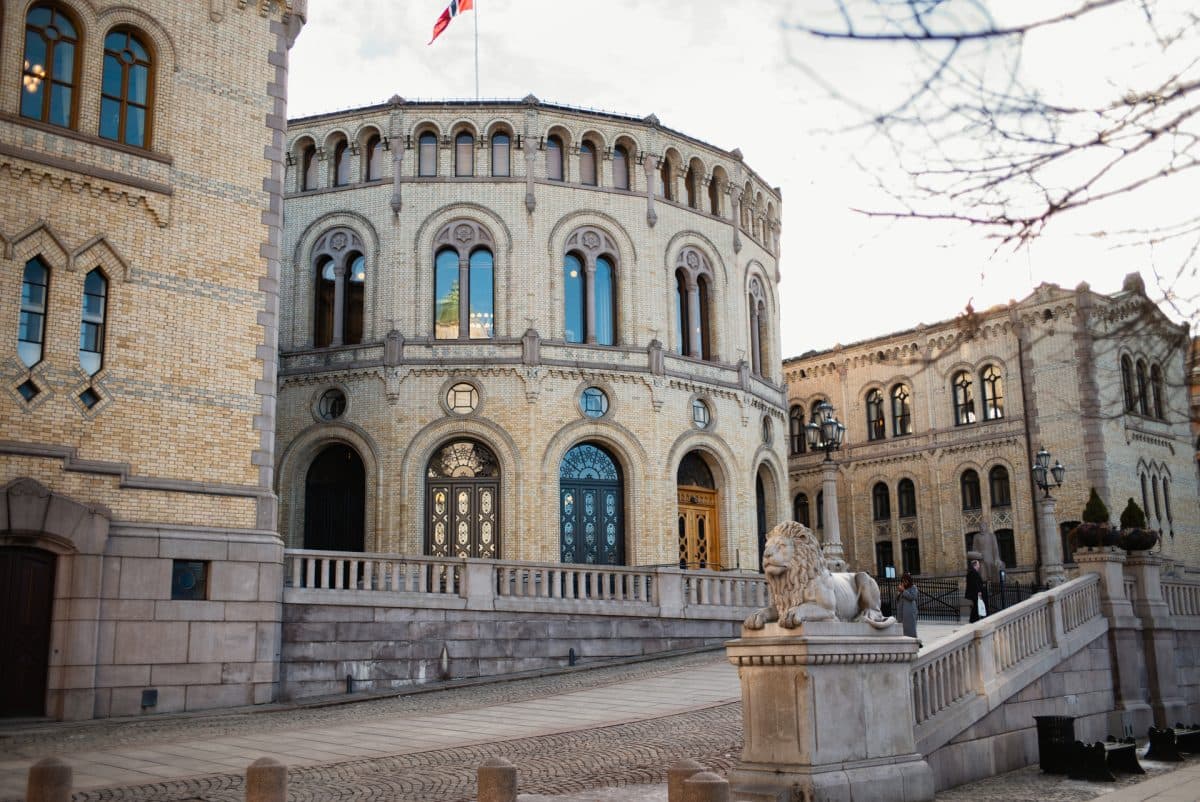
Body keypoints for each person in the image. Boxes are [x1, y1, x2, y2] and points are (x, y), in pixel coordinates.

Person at [897, 572, 919, 645]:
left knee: (911, 629)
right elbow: (897, 599)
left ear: (909, 581)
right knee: (903, 629)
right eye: (903, 581)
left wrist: (903, 591)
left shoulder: (913, 587)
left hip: (910, 612)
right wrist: (899, 592)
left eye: (906, 581)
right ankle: (905, 643)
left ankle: (914, 643)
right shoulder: (902, 589)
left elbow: (912, 597)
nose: (904, 583)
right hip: (902, 613)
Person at [966, 558, 986, 623]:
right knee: (976, 605)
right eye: (978, 565)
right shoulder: (972, 572)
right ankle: (973, 619)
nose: (979, 566)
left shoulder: (973, 572)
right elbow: (975, 583)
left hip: (974, 592)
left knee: (976, 605)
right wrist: (979, 591)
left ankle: (974, 619)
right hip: (974, 592)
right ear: (975, 565)